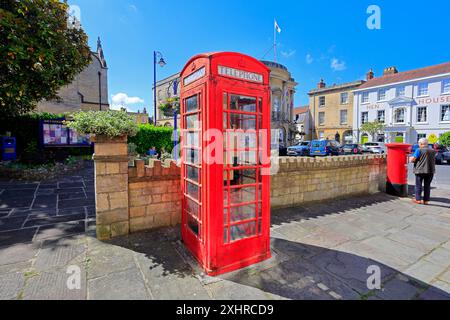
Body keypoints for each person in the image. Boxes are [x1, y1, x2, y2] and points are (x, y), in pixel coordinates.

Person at [409, 138, 436, 205]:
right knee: (427, 186)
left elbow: (413, 160)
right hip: (430, 170)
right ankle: (426, 201)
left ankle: (418, 199)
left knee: (418, 185)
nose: (418, 145)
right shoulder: (433, 150)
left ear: (421, 143)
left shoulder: (419, 150)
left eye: (419, 143)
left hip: (420, 170)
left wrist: (411, 159)